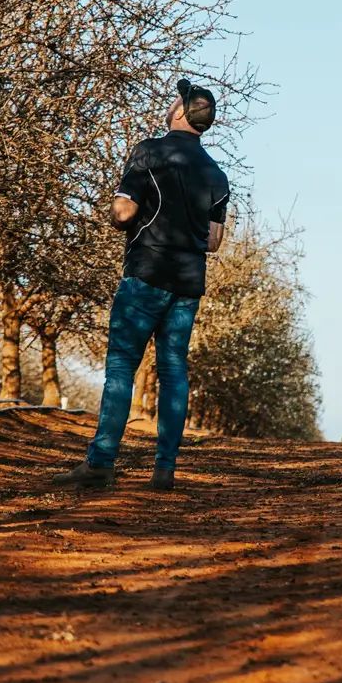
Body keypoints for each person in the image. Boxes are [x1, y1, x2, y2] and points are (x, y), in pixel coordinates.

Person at [54, 80, 229, 492]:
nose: (170, 104)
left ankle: (101, 463)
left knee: (121, 367)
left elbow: (122, 211)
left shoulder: (150, 151)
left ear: (182, 113)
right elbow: (215, 241)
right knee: (173, 371)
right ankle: (164, 469)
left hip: (146, 273)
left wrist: (125, 215)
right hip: (187, 283)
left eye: (176, 100)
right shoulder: (217, 175)